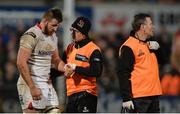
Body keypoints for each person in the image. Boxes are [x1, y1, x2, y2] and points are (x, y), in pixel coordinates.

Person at [16, 8, 65, 113]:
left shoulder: (53, 37)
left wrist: (65, 68)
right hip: (30, 85)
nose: (56, 29)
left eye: (57, 26)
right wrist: (32, 87)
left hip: (46, 85)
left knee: (55, 112)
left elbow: (56, 60)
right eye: (54, 25)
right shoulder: (31, 35)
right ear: (46, 21)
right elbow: (20, 62)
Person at [117, 13, 162, 113]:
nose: (153, 27)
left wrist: (159, 48)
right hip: (138, 99)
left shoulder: (150, 44)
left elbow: (164, 61)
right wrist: (126, 98)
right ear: (142, 27)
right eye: (150, 24)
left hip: (154, 97)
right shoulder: (128, 47)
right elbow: (122, 73)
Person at [63, 16, 103, 112]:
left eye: (75, 31)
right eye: (72, 30)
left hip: (87, 94)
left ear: (84, 34)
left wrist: (75, 68)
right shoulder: (69, 48)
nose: (72, 34)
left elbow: (97, 71)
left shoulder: (93, 49)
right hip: (71, 94)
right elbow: (60, 65)